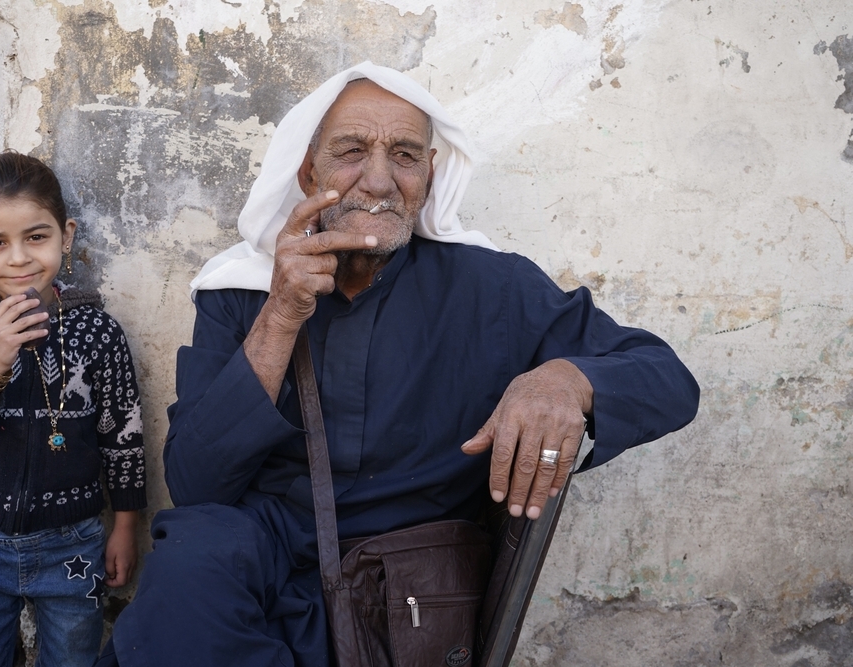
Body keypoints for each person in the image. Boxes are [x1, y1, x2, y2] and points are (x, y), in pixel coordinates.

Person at [99, 62, 699, 667]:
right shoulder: (244, 290)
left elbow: (667, 378)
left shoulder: (492, 288)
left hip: (411, 590)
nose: (380, 181)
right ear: (309, 171)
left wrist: (566, 380)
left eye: (406, 155)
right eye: (352, 151)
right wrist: (281, 315)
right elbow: (197, 483)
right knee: (188, 564)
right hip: (261, 561)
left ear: (430, 175)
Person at [0, 151, 147, 667]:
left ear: (65, 236)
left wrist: (126, 526)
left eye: (36, 237)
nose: (19, 258)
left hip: (73, 545)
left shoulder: (96, 331)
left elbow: (124, 435)